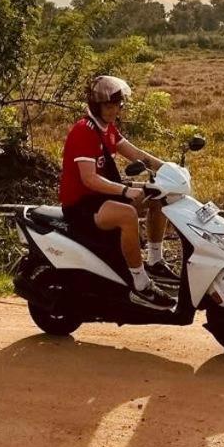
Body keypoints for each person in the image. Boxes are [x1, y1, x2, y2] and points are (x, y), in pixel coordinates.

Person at [59, 74, 177, 310]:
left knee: (158, 195)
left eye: (118, 106)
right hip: (81, 204)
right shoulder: (85, 131)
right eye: (109, 106)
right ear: (96, 105)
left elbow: (137, 154)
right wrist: (125, 191)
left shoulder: (108, 129)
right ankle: (140, 285)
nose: (115, 111)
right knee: (127, 215)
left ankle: (154, 261)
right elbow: (89, 179)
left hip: (100, 198)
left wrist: (169, 169)